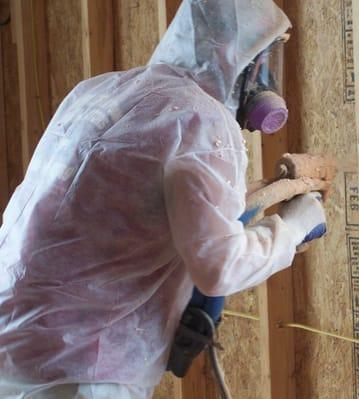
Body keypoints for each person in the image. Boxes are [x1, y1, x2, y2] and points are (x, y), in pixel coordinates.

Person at [0, 1, 327, 398]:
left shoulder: (101, 89)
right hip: (81, 368)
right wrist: (293, 227)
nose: (267, 77)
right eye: (262, 58)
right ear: (235, 55)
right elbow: (220, 267)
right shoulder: (201, 120)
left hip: (13, 341)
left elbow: (125, 208)